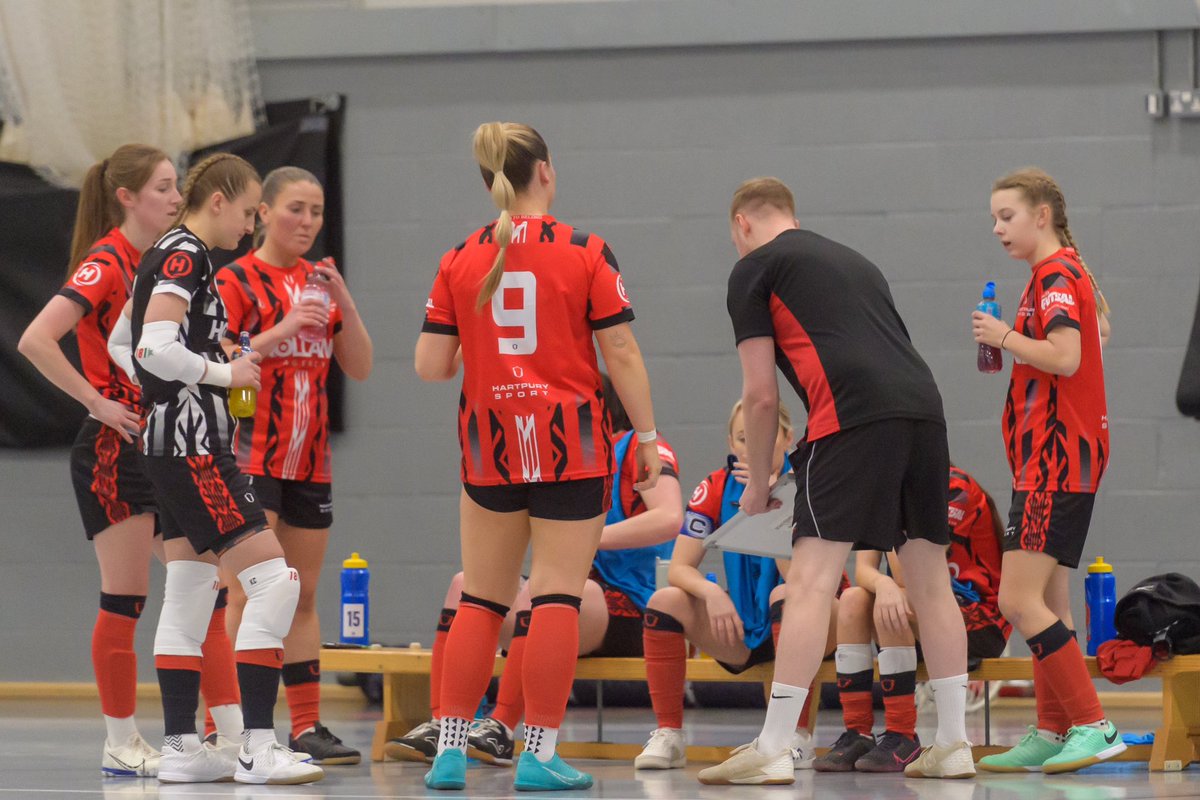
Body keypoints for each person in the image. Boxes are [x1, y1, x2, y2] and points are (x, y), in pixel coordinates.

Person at [700, 177, 973, 785]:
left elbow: (761, 394)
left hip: (847, 415)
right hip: (924, 411)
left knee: (810, 583)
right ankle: (953, 742)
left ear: (742, 224)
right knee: (929, 578)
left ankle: (773, 745)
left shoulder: (754, 268)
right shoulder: (856, 261)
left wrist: (757, 481)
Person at [414, 122, 662, 792]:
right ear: (544, 171)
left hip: (488, 447)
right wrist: (644, 438)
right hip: (569, 445)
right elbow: (623, 353)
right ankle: (538, 753)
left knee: (482, 600)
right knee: (554, 595)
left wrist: (486, 343)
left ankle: (450, 751)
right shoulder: (585, 251)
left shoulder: (459, 257)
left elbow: (431, 365)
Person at [17, 144, 242, 778]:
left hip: (169, 439)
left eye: (177, 187)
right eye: (166, 187)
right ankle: (120, 739)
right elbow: (35, 337)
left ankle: (232, 731)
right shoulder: (107, 260)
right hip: (116, 447)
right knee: (127, 598)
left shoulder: (166, 262)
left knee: (207, 594)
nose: (177, 198)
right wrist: (96, 401)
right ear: (128, 197)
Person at [119, 152, 322, 785]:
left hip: (169, 440)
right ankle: (258, 747)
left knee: (187, 589)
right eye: (248, 209)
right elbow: (151, 346)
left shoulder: (167, 253)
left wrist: (203, 366)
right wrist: (218, 374)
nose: (251, 222)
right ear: (219, 202)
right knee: (275, 580)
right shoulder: (186, 254)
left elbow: (123, 346)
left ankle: (181, 750)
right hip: (193, 446)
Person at [385, 375, 681, 767]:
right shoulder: (566, 453)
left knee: (550, 592)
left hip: (628, 603)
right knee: (464, 587)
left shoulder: (639, 449)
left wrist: (588, 537)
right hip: (569, 592)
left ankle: (501, 727)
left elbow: (670, 517)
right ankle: (445, 726)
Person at [214, 166, 373, 765]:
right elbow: (218, 357)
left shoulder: (319, 282)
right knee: (249, 594)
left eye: (315, 212)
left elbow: (358, 366)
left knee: (302, 593)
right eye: (294, 209)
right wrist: (282, 329)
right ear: (262, 214)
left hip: (310, 460)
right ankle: (227, 726)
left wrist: (346, 304)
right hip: (253, 458)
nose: (306, 222)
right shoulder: (237, 280)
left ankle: (306, 726)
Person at [972, 167, 1123, 774]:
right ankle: (1051, 728)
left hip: (1054, 463)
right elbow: (1099, 331)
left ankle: (1094, 724)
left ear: (1042, 215)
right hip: (1049, 460)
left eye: (1006, 216)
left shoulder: (1057, 275)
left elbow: (1068, 355)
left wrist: (1004, 336)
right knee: (1050, 604)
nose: (998, 228)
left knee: (1016, 598)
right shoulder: (1060, 273)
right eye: (992, 219)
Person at [635, 399, 841, 771]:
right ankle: (669, 733)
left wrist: (775, 504)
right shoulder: (716, 486)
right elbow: (681, 567)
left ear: (787, 437)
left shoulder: (811, 485)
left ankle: (796, 737)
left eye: (763, 435)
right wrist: (711, 593)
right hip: (748, 621)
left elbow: (801, 582)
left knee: (785, 594)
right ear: (732, 445)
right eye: (744, 438)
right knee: (666, 599)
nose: (753, 446)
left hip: (819, 620)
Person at [815, 464, 1010, 773]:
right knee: (854, 599)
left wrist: (894, 510)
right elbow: (863, 571)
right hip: (920, 613)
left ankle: (902, 735)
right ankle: (858, 732)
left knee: (900, 599)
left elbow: (913, 574)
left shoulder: (953, 489)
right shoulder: (881, 490)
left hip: (978, 620)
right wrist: (884, 584)